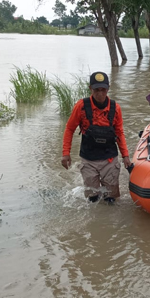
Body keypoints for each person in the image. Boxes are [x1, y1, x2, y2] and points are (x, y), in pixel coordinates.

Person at [62, 71, 131, 203]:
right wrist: (66, 153)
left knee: (111, 199)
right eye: (96, 90)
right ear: (90, 89)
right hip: (88, 159)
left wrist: (125, 155)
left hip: (109, 159)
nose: (100, 94)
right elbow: (70, 129)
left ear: (108, 89)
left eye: (103, 90)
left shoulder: (115, 108)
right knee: (92, 199)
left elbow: (119, 133)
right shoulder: (81, 106)